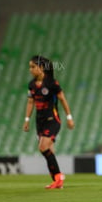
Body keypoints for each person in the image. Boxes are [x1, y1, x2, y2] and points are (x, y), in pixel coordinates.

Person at [23, 55, 74, 189]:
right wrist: (26, 119)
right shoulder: (32, 85)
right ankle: (57, 181)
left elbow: (62, 99)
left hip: (52, 120)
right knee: (48, 150)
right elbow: (30, 102)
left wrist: (69, 117)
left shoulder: (52, 83)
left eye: (33, 67)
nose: (30, 69)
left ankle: (58, 176)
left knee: (43, 147)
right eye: (30, 67)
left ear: (40, 68)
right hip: (39, 122)